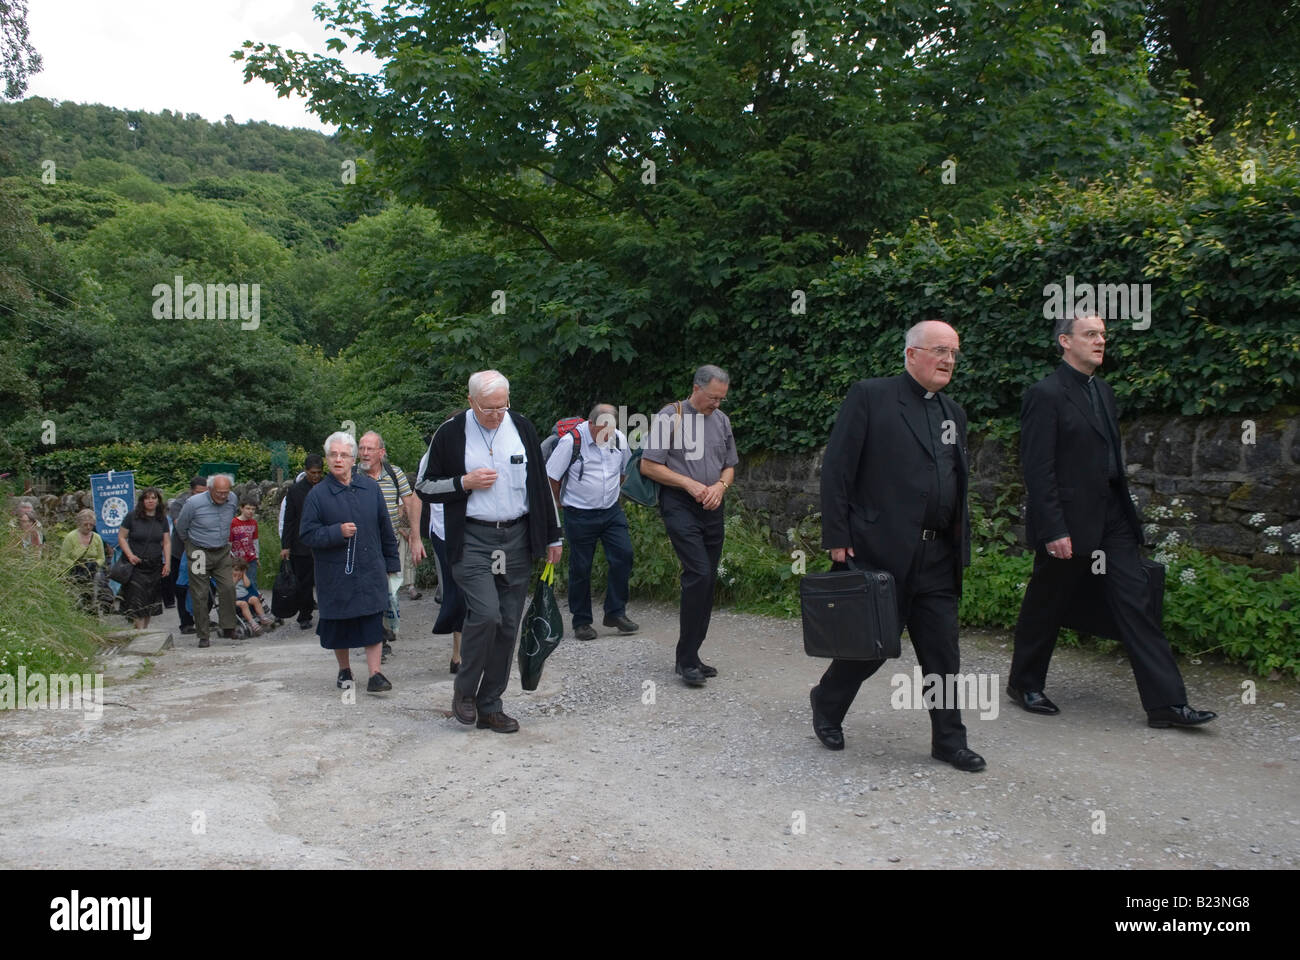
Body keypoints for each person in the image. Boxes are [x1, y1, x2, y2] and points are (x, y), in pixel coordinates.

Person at [1008, 312, 1217, 729]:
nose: (1100, 341)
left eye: (1103, 335)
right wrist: (1053, 528)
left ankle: (1166, 705)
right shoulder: (1044, 394)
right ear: (1065, 341)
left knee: (1136, 601)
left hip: (1113, 516)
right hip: (1067, 519)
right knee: (1047, 603)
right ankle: (1024, 683)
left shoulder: (1103, 391)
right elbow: (1038, 468)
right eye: (1090, 335)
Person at [813, 320, 986, 772]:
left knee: (942, 651)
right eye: (939, 351)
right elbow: (837, 469)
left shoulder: (954, 413)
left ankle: (949, 740)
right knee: (869, 648)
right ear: (912, 354)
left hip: (938, 556)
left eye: (954, 352)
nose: (949, 360)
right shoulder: (871, 396)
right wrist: (837, 536)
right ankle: (827, 703)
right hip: (880, 549)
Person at [416, 370, 562, 732]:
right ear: (471, 402)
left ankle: (491, 704)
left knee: (509, 623)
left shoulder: (522, 428)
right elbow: (424, 487)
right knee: (486, 614)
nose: (497, 414)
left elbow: (540, 486)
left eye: (503, 406)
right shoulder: (451, 433)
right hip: (472, 538)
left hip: (516, 536)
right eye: (489, 409)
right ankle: (464, 691)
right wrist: (463, 483)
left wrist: (553, 536)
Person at [639, 364, 738, 687]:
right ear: (696, 389)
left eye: (722, 398)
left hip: (712, 505)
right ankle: (685, 660)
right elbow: (649, 465)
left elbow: (730, 467)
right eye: (713, 397)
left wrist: (720, 488)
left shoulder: (722, 420)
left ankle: (692, 655)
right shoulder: (671, 415)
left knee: (707, 581)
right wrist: (690, 484)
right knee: (698, 573)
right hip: (680, 504)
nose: (717, 404)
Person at [299, 432, 398, 693]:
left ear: (353, 459)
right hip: (335, 572)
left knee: (372, 620)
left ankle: (375, 674)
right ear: (327, 458)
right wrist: (336, 532)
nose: (338, 459)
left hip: (370, 567)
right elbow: (307, 534)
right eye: (333, 455)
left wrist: (391, 563)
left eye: (344, 455)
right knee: (339, 624)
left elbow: (385, 528)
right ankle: (345, 669)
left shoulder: (370, 488)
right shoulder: (317, 495)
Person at [546, 402, 637, 641]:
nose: (606, 435)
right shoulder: (571, 442)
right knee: (581, 567)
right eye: (601, 430)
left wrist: (614, 493)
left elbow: (626, 469)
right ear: (590, 424)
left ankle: (615, 613)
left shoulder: (617, 437)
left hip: (611, 511)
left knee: (624, 555)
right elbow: (552, 476)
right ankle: (582, 622)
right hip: (579, 513)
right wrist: (557, 503)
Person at [357, 430, 426, 659]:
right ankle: (378, 637)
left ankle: (384, 631)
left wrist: (415, 537)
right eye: (361, 448)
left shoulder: (394, 474)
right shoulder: (352, 475)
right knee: (369, 593)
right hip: (361, 547)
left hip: (389, 545)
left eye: (370, 449)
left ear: (381, 452)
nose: (364, 453)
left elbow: (411, 503)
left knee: (389, 592)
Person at [419, 415, 466, 674]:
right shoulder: (433, 455)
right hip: (446, 533)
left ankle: (477, 650)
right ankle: (458, 654)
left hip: (479, 531)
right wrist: (415, 536)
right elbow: (419, 492)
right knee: (457, 591)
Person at [175, 474, 239, 648]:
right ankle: (203, 634)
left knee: (228, 587)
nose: (223, 496)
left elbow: (232, 516)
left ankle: (228, 626)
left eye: (226, 492)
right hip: (198, 550)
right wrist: (191, 545)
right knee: (200, 593)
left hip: (222, 550)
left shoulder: (232, 499)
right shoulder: (193, 503)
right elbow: (181, 527)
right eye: (219, 492)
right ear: (210, 489)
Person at [280, 455, 325, 630]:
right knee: (303, 582)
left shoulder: (327, 487)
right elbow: (289, 519)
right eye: (313, 473)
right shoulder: (295, 491)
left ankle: (328, 615)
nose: (316, 476)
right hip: (302, 543)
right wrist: (285, 545)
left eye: (319, 473)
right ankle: (305, 614)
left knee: (325, 581)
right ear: (306, 471)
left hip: (323, 541)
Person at [117, 487, 171, 631]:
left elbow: (166, 542)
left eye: (154, 498)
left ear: (158, 500)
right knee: (137, 600)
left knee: (150, 601)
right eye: (147, 498)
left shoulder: (162, 519)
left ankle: (144, 631)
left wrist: (167, 563)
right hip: (136, 564)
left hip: (154, 564)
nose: (151, 501)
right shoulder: (132, 517)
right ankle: (140, 631)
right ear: (142, 501)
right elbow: (122, 537)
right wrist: (130, 555)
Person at [168, 477, 206, 634]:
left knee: (204, 586)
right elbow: (180, 525)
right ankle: (186, 622)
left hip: (202, 550)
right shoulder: (179, 504)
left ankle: (202, 618)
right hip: (180, 551)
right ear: (191, 491)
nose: (201, 496)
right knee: (182, 588)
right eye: (198, 492)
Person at [60, 508, 107, 610]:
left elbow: (101, 557)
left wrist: (95, 564)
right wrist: (76, 565)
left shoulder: (97, 538)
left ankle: (94, 610)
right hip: (76, 571)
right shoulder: (70, 537)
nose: (88, 527)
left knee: (95, 593)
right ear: (79, 523)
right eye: (85, 524)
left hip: (92, 571)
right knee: (77, 598)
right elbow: (63, 557)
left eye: (91, 524)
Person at [232, 559, 274, 635]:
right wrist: (235, 579)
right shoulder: (229, 578)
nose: (238, 572)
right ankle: (252, 623)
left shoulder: (243, 577)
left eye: (241, 570)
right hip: (233, 599)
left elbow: (247, 585)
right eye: (236, 570)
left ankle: (262, 617)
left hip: (245, 596)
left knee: (255, 599)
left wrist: (244, 575)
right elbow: (230, 587)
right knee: (243, 604)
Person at [229, 499, 261, 592]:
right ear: (241, 509)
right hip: (237, 558)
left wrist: (257, 556)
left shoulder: (253, 522)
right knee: (236, 582)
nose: (250, 511)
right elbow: (229, 541)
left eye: (253, 509)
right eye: (248, 508)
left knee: (252, 581)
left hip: (250, 557)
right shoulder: (233, 522)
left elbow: (255, 540)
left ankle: (253, 602)